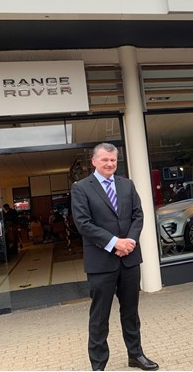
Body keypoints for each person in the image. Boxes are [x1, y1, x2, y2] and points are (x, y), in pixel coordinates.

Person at [71, 143, 158, 372]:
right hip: (101, 263)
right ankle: (98, 365)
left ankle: (136, 355)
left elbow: (138, 215)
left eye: (113, 160)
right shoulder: (81, 188)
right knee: (99, 317)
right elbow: (83, 223)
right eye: (105, 160)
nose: (110, 164)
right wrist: (114, 243)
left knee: (131, 312)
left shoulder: (127, 184)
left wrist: (128, 242)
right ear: (94, 162)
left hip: (129, 260)